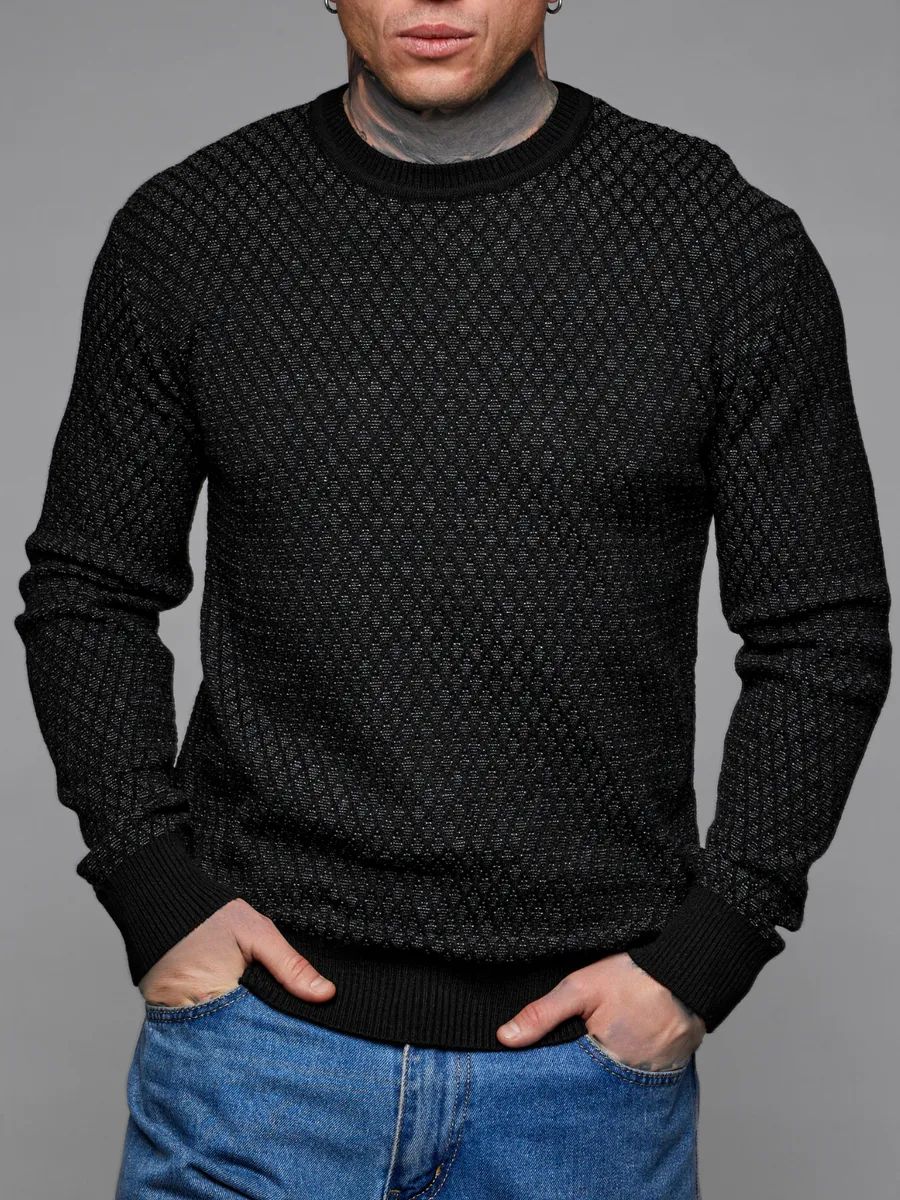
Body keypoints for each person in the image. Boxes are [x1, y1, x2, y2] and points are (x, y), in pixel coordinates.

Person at [14, 1, 892, 1196]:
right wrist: (153, 889)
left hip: (586, 1093)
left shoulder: (724, 246)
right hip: (251, 1066)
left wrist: (709, 951)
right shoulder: (192, 232)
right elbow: (88, 584)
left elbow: (822, 627)